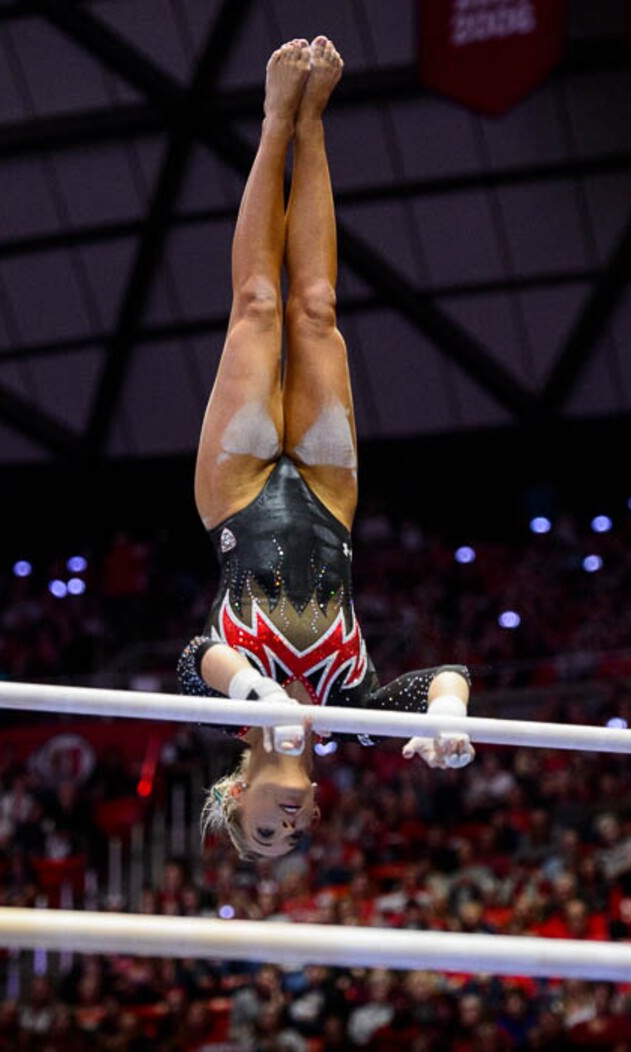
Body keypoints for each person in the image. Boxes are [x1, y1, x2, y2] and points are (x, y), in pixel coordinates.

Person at [178, 36, 474, 859]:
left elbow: (201, 654)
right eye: (297, 835)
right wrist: (446, 717)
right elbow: (446, 677)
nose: (295, 824)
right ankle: (314, 126)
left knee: (258, 306)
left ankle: (275, 118)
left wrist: (262, 695)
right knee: (314, 309)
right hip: (329, 501)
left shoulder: (226, 708)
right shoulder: (353, 712)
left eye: (268, 830)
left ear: (237, 792)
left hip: (236, 497)